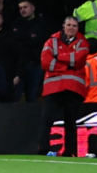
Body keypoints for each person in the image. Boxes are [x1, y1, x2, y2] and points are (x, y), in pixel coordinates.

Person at [39, 15, 91, 156]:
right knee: (46, 120)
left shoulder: (83, 42)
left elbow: (79, 60)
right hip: (53, 88)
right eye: (69, 25)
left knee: (71, 123)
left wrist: (58, 57)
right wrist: (68, 65)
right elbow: (45, 63)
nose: (71, 28)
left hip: (73, 88)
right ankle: (43, 150)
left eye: (74, 26)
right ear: (63, 26)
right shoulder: (51, 41)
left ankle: (71, 152)